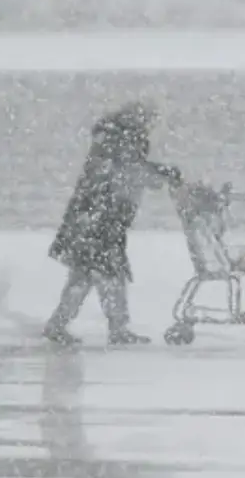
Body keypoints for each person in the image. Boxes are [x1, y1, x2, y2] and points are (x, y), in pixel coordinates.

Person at [44, 101, 180, 346]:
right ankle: (113, 328)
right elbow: (128, 171)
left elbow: (125, 171)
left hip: (92, 219)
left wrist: (156, 174)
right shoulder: (124, 140)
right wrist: (162, 173)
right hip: (101, 221)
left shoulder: (111, 140)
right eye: (149, 120)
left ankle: (64, 324)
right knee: (106, 275)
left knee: (88, 276)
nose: (151, 126)